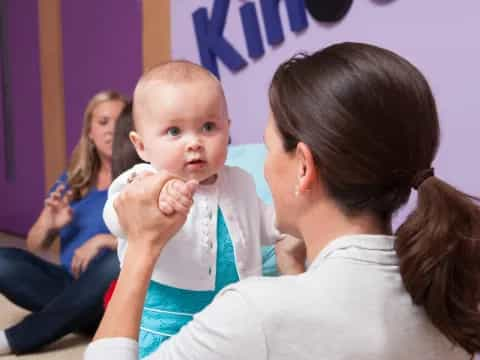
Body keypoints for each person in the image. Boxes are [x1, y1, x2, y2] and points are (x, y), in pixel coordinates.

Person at [86, 42, 480, 359]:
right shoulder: (449, 300)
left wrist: (140, 249)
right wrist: (292, 268)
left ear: (303, 166)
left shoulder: (253, 312)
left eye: (268, 147)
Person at [102, 61, 284, 358]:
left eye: (209, 127)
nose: (194, 143)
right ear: (141, 145)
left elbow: (266, 224)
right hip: (167, 319)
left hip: (232, 315)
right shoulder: (143, 181)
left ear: (228, 130)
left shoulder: (240, 181)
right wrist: (156, 199)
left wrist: (293, 221)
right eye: (174, 131)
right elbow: (116, 217)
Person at [0, 90, 126, 355]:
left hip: (115, 294)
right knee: (4, 261)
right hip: (68, 283)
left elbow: (155, 243)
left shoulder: (140, 177)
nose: (112, 130)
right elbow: (35, 244)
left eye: (120, 122)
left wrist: (104, 240)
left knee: (114, 263)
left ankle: (16, 338)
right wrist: (49, 222)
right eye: (103, 122)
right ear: (90, 133)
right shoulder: (74, 180)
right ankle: (77, 315)